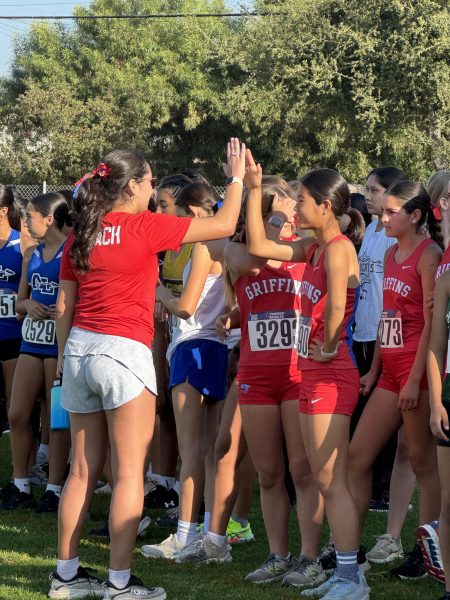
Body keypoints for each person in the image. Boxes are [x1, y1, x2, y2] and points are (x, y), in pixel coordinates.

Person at [50, 140, 246, 600]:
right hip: (123, 352)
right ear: (133, 185)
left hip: (79, 350)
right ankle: (119, 582)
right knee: (130, 473)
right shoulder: (144, 226)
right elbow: (222, 223)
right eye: (151, 181)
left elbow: (64, 305)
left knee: (81, 470)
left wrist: (62, 360)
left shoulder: (82, 232)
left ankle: (66, 576)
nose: (153, 187)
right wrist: (235, 179)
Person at [245, 158, 368, 600]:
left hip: (331, 374)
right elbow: (259, 244)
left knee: (329, 480)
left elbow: (336, 307)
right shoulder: (313, 248)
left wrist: (331, 343)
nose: (295, 208)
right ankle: (346, 571)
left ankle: (352, 576)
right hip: (315, 372)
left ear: (326, 206)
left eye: (302, 201)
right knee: (323, 477)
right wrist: (251, 186)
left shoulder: (337, 249)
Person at [348, 180, 443, 581]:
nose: (382, 218)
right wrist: (374, 370)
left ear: (415, 215)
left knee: (422, 463)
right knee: (356, 457)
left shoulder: (429, 254)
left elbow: (431, 326)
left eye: (390, 212)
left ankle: (429, 553)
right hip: (390, 372)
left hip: (417, 376)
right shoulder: (389, 253)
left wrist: (414, 378)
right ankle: (349, 551)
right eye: (381, 211)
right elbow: (389, 317)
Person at [141, 181, 229, 560]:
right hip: (219, 348)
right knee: (211, 451)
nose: (164, 216)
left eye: (168, 208)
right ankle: (213, 537)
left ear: (191, 213)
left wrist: (159, 292)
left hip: (191, 345)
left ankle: (184, 534)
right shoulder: (227, 245)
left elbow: (186, 308)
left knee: (191, 449)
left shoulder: (204, 247)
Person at [1, 193, 71, 513]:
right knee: (17, 413)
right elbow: (18, 304)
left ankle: (55, 489)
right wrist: (28, 304)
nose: (25, 221)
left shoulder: (70, 252)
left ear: (50, 219)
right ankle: (21, 484)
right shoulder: (32, 254)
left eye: (30, 216)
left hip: (58, 346)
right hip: (30, 342)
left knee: (56, 420)